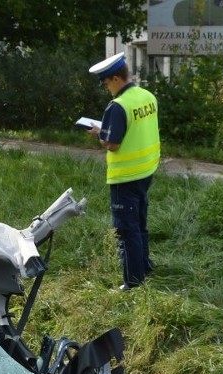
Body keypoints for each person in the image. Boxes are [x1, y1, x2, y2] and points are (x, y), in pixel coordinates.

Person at [87, 53, 160, 291]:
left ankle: (133, 281)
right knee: (140, 223)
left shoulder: (117, 106)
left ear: (117, 79)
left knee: (126, 231)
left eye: (106, 83)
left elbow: (112, 143)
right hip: (146, 171)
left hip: (125, 176)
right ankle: (145, 266)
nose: (106, 88)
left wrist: (100, 132)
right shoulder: (147, 96)